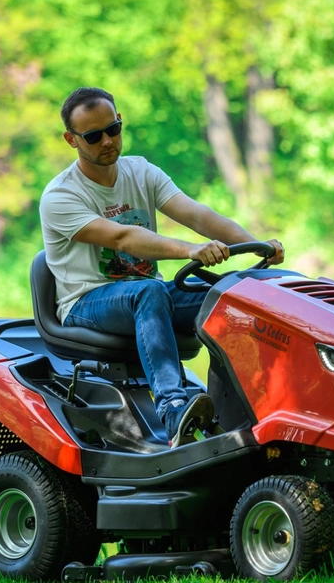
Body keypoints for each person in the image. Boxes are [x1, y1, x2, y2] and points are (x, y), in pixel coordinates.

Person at [39, 87, 284, 447]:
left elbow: (197, 214)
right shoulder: (60, 196)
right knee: (150, 291)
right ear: (71, 140)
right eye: (93, 136)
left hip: (143, 294)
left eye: (114, 129)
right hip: (86, 302)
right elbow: (122, 238)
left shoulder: (140, 171)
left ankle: (251, 407)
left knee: (232, 299)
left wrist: (254, 245)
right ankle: (173, 409)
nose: (107, 141)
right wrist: (191, 251)